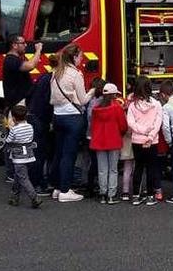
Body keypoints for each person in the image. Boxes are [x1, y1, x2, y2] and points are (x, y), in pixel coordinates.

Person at [49, 43, 95, 202]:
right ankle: (65, 190)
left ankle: (56, 187)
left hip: (57, 116)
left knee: (59, 153)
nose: (82, 59)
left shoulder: (56, 72)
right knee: (69, 155)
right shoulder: (75, 74)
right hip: (72, 118)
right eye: (80, 56)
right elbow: (82, 100)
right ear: (74, 57)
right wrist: (92, 91)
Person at [1, 35, 43, 182]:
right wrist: (38, 50)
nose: (25, 45)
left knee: (15, 138)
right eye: (22, 43)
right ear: (14, 45)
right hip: (16, 105)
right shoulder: (11, 60)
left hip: (16, 104)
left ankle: (14, 172)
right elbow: (30, 66)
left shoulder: (15, 59)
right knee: (15, 139)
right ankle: (12, 173)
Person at [126, 76, 163, 206]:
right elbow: (158, 123)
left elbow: (130, 122)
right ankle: (150, 196)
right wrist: (150, 135)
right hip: (152, 141)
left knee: (138, 167)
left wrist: (142, 131)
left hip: (137, 140)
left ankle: (136, 195)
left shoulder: (132, 106)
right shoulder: (156, 104)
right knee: (151, 168)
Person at [89, 83, 127, 204]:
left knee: (102, 169)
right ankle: (111, 195)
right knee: (113, 169)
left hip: (99, 141)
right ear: (114, 94)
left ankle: (102, 194)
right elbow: (123, 126)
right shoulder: (117, 108)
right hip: (114, 140)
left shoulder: (96, 109)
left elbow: (92, 126)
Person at [6, 105, 42, 209]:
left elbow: (9, 141)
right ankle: (14, 197)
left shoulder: (14, 129)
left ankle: (34, 198)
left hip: (18, 157)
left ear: (13, 118)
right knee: (18, 177)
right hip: (29, 155)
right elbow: (30, 138)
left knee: (23, 178)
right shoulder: (30, 126)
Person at [82, 77, 107, 197]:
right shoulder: (102, 101)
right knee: (98, 162)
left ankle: (88, 184)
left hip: (88, 135)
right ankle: (93, 186)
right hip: (98, 135)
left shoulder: (89, 100)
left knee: (89, 161)